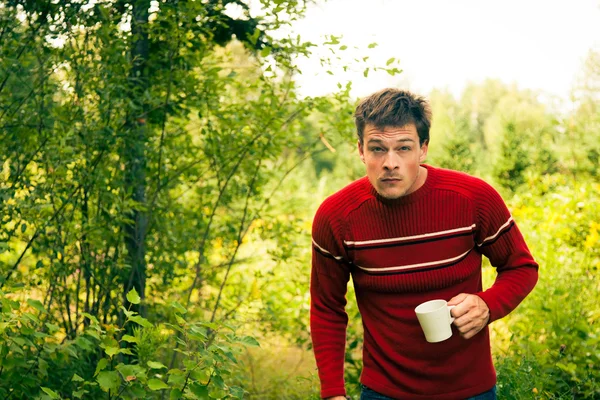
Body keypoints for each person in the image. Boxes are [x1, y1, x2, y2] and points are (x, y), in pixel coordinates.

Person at [310, 88, 539, 400]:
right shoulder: (337, 217)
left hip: (472, 390)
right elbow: (327, 308)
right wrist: (333, 393)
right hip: (383, 392)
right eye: (377, 149)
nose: (390, 162)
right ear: (361, 150)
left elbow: (520, 267)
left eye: (403, 148)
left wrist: (488, 304)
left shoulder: (474, 199)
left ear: (423, 148)